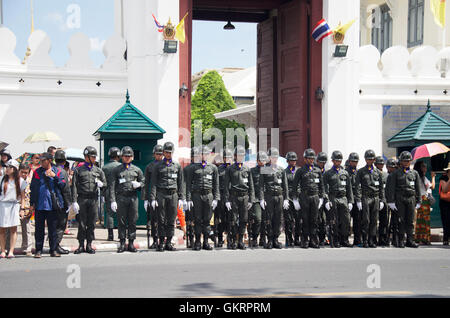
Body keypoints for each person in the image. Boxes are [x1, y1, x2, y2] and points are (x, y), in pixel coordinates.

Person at [30, 152, 66, 258]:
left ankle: (53, 250)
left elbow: (63, 185)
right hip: (40, 205)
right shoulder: (37, 172)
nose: (41, 162)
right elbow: (33, 187)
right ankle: (38, 250)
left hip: (52, 205)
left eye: (43, 160)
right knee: (39, 229)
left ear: (50, 160)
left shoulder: (57, 171)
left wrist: (54, 177)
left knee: (53, 229)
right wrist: (32, 203)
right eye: (40, 160)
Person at [71, 147, 106, 254]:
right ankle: (81, 244)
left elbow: (105, 184)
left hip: (93, 199)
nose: (94, 158)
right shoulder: (78, 170)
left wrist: (102, 184)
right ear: (86, 157)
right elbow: (74, 186)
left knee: (91, 223)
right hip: (82, 198)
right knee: (81, 223)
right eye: (92, 156)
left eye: (95, 156)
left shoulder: (98, 170)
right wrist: (74, 201)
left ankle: (89, 244)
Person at [150, 142, 184, 252]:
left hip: (173, 194)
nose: (168, 154)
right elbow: (153, 183)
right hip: (161, 194)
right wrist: (153, 198)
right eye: (166, 152)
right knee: (161, 219)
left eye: (170, 152)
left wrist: (181, 198)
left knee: (171, 219)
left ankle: (169, 242)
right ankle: (161, 242)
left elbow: (180, 183)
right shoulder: (157, 166)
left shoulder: (177, 166)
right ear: (163, 152)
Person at [186, 145, 219, 251]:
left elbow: (216, 184)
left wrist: (216, 198)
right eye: (202, 154)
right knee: (198, 219)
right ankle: (197, 242)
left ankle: (206, 242)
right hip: (196, 195)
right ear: (199, 155)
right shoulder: (193, 168)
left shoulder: (213, 168)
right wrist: (188, 199)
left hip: (208, 195)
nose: (204, 156)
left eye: (205, 154)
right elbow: (188, 185)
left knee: (207, 220)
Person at [111, 146, 144, 253]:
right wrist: (113, 200)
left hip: (133, 197)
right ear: (121, 157)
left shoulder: (137, 170)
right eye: (125, 156)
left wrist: (139, 184)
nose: (127, 158)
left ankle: (131, 243)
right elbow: (112, 186)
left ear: (132, 157)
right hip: (121, 197)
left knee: (132, 220)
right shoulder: (116, 170)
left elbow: (144, 182)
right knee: (121, 221)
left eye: (129, 156)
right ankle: (121, 243)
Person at [386, 151, 421, 248]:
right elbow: (391, 188)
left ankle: (410, 240)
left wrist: (419, 201)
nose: (406, 162)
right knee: (400, 220)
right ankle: (401, 240)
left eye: (408, 161)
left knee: (410, 220)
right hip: (400, 198)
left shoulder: (414, 173)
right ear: (401, 162)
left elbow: (418, 188)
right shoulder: (396, 173)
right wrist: (391, 201)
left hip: (411, 198)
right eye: (404, 161)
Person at [224, 145, 255, 250]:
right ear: (235, 156)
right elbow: (226, 186)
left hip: (245, 197)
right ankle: (233, 240)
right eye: (238, 155)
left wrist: (251, 199)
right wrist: (227, 200)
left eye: (242, 155)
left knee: (244, 219)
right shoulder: (230, 169)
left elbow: (251, 185)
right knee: (233, 219)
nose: (240, 157)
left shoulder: (247, 169)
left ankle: (241, 240)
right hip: (234, 197)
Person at [293, 148, 325, 249]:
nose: (311, 160)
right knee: (305, 219)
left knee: (314, 220)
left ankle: (313, 240)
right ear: (305, 159)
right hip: (304, 197)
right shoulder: (300, 171)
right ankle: (304, 240)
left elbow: (322, 186)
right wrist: (295, 199)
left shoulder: (318, 170)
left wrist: (321, 198)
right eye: (309, 158)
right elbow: (295, 186)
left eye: (312, 158)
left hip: (315, 197)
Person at [322, 151, 354, 248]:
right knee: (334, 220)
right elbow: (325, 189)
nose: (338, 162)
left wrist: (350, 201)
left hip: (343, 198)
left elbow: (349, 188)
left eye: (339, 161)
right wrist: (326, 200)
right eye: (336, 160)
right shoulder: (328, 174)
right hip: (333, 197)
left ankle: (344, 239)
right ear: (332, 161)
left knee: (346, 220)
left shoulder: (345, 173)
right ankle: (335, 240)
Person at [259, 147, 289, 249]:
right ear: (269, 158)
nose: (274, 159)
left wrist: (286, 198)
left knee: (278, 219)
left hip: (279, 197)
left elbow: (285, 185)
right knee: (269, 218)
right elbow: (261, 186)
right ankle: (270, 239)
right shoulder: (264, 169)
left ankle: (276, 239)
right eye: (272, 157)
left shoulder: (281, 169)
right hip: (269, 196)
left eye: (276, 157)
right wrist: (262, 199)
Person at [354, 149, 385, 248]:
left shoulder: (378, 172)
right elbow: (358, 186)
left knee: (374, 220)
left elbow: (381, 187)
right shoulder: (361, 172)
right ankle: (365, 240)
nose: (370, 161)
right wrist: (358, 200)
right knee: (366, 220)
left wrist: (382, 200)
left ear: (374, 160)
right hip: (366, 197)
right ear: (365, 160)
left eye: (371, 159)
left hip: (375, 197)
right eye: (368, 159)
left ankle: (372, 240)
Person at [0, 160, 27, 259]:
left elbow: (23, 197)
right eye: (6, 167)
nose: (7, 169)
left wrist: (22, 209)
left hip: (14, 206)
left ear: (14, 169)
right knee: (2, 229)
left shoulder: (20, 181)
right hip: (2, 205)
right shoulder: (1, 179)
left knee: (13, 229)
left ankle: (11, 251)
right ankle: (3, 250)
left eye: (9, 167)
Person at [142, 145, 163, 248]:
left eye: (160, 154)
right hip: (153, 195)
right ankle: (155, 240)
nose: (159, 156)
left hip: (163, 194)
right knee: (154, 220)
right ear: (154, 154)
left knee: (164, 219)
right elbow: (146, 183)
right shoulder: (149, 166)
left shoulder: (166, 165)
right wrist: (145, 199)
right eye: (157, 154)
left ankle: (164, 240)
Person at [53, 150, 72, 254]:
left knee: (54, 225)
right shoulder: (63, 172)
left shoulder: (51, 169)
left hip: (51, 202)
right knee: (61, 225)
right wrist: (68, 203)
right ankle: (56, 246)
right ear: (64, 161)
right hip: (60, 202)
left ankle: (53, 244)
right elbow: (65, 189)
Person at [413, 160, 436, 245]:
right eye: (423, 166)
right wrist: (433, 177)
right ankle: (426, 238)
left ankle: (418, 238)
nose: (425, 168)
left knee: (419, 220)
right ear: (420, 168)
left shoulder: (417, 177)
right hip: (424, 200)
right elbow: (432, 186)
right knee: (426, 220)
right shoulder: (422, 178)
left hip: (419, 200)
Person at [102, 147, 121, 242]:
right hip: (120, 191)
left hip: (108, 191)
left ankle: (110, 235)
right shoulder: (121, 166)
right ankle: (121, 235)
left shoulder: (104, 167)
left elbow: (102, 182)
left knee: (109, 213)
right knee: (121, 213)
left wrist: (102, 194)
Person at [215, 148, 233, 248]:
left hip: (231, 196)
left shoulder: (235, 168)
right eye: (226, 157)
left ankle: (230, 239)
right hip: (221, 196)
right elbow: (216, 184)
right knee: (220, 219)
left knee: (231, 219)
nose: (228, 159)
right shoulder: (219, 169)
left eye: (230, 157)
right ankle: (220, 239)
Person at [249, 151, 267, 248]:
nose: (263, 162)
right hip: (256, 198)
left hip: (266, 198)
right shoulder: (252, 171)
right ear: (257, 161)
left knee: (265, 220)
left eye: (264, 160)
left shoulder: (268, 170)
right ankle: (255, 238)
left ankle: (263, 239)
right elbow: (250, 186)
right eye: (261, 160)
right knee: (258, 219)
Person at [285, 151, 302, 246]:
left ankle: (297, 238)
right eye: (291, 160)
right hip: (289, 198)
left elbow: (301, 185)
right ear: (288, 161)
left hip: (298, 198)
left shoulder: (298, 171)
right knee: (288, 220)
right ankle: (289, 239)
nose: (293, 162)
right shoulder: (285, 172)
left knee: (298, 220)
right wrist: (286, 198)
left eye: (294, 160)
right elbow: (285, 186)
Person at [184, 147, 199, 248]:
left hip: (198, 196)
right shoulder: (187, 169)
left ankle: (197, 239)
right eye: (194, 156)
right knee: (189, 219)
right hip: (190, 196)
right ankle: (190, 239)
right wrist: (185, 198)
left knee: (198, 218)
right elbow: (184, 184)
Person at [346, 152, 361, 246]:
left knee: (358, 221)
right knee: (346, 221)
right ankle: (345, 239)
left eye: (356, 161)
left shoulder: (359, 172)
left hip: (357, 199)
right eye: (352, 161)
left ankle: (357, 240)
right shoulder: (345, 172)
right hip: (347, 200)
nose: (354, 163)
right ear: (349, 161)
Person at [18, 164, 33, 256]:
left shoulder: (30, 181)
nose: (24, 174)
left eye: (26, 173)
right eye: (22, 172)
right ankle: (7, 247)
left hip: (26, 206)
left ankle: (27, 248)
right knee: (9, 228)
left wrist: (32, 206)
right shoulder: (14, 181)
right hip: (15, 205)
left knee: (26, 228)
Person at [375, 156, 389, 246]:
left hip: (384, 200)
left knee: (384, 221)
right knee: (373, 221)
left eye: (382, 164)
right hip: (375, 199)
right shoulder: (373, 173)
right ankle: (372, 238)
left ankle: (382, 239)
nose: (381, 165)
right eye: (379, 164)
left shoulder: (386, 175)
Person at [315, 152, 328, 246]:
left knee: (324, 220)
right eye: (320, 162)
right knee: (317, 219)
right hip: (316, 199)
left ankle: (323, 238)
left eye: (324, 162)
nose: (322, 164)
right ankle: (316, 238)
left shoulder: (326, 172)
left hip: (325, 199)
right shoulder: (314, 170)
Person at [385, 159, 399, 246]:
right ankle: (387, 239)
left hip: (396, 201)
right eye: (390, 167)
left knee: (395, 222)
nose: (392, 169)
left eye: (393, 167)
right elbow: (387, 190)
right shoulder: (387, 176)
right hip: (388, 201)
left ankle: (395, 239)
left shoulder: (396, 176)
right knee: (387, 221)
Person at [439, 163, 450, 245]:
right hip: (445, 203)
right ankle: (446, 238)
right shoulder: (443, 178)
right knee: (446, 220)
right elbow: (445, 189)